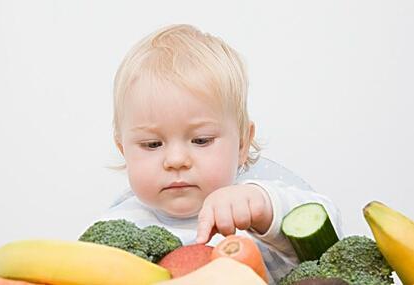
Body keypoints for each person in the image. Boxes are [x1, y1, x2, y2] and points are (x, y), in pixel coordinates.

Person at [97, 24, 342, 284]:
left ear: (242, 145)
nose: (176, 160)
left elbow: (333, 237)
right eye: (152, 145)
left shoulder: (253, 211)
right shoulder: (117, 227)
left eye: (201, 140)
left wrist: (264, 208)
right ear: (124, 150)